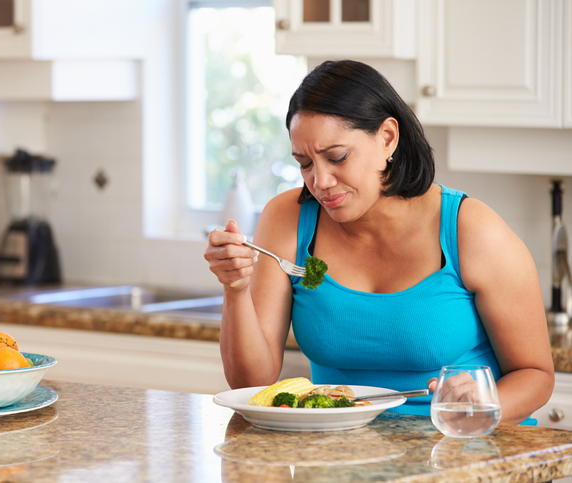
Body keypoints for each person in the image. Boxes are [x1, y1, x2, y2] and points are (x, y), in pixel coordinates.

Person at [204, 60, 554, 424]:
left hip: (461, 447)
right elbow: (252, 383)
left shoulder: (471, 230)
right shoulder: (288, 219)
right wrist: (236, 288)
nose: (319, 180)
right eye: (304, 163)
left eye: (337, 157)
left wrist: (483, 404)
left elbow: (537, 376)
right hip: (340, 458)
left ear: (387, 138)